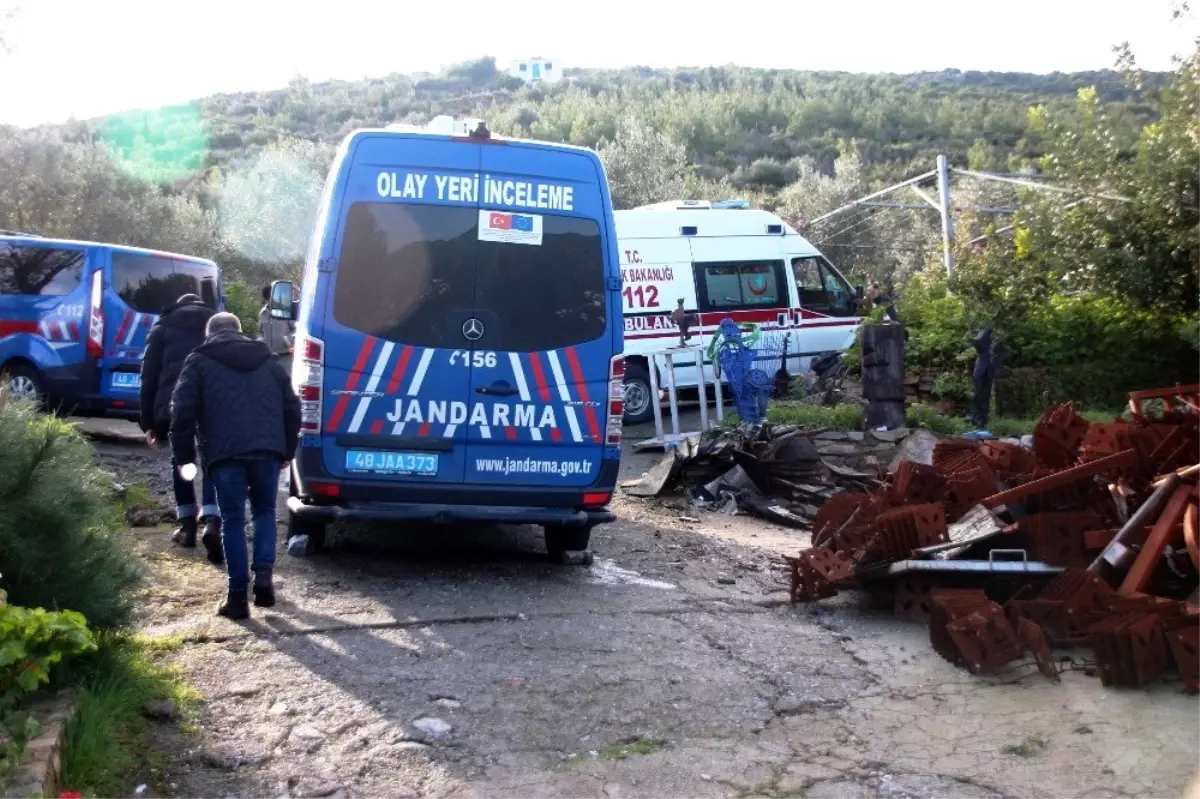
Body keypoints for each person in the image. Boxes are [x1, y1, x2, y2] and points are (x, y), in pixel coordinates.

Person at [170, 312, 301, 619]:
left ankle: (237, 597)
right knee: (265, 512)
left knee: (232, 520)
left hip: (225, 453)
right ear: (239, 331)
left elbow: (182, 412)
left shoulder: (199, 361)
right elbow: (292, 406)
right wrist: (287, 450)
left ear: (209, 334)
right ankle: (265, 577)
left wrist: (184, 458)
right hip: (267, 450)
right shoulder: (268, 360)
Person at [139, 293, 220, 557]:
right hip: (211, 405)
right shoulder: (215, 324)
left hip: (176, 404)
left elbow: (148, 377)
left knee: (183, 461)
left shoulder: (163, 327)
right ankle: (212, 521)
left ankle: (186, 526)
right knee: (211, 462)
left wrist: (148, 422)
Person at [258, 285, 295, 374]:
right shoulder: (263, 313)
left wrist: (287, 340)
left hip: (286, 355)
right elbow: (260, 331)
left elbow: (297, 329)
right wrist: (260, 340)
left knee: (286, 381)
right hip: (268, 356)